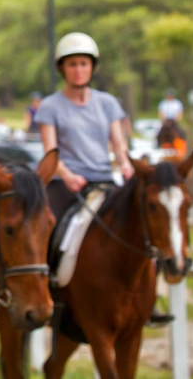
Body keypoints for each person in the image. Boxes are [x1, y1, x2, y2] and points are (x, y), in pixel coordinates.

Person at [35, 32, 172, 326]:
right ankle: (46, 293)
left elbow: (119, 144)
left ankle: (150, 298)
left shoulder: (108, 103)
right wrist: (67, 176)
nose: (78, 69)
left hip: (103, 180)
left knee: (144, 228)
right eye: (72, 64)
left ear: (92, 67)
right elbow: (51, 152)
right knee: (47, 228)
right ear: (62, 68)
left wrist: (124, 165)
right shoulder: (50, 106)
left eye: (83, 63)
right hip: (66, 184)